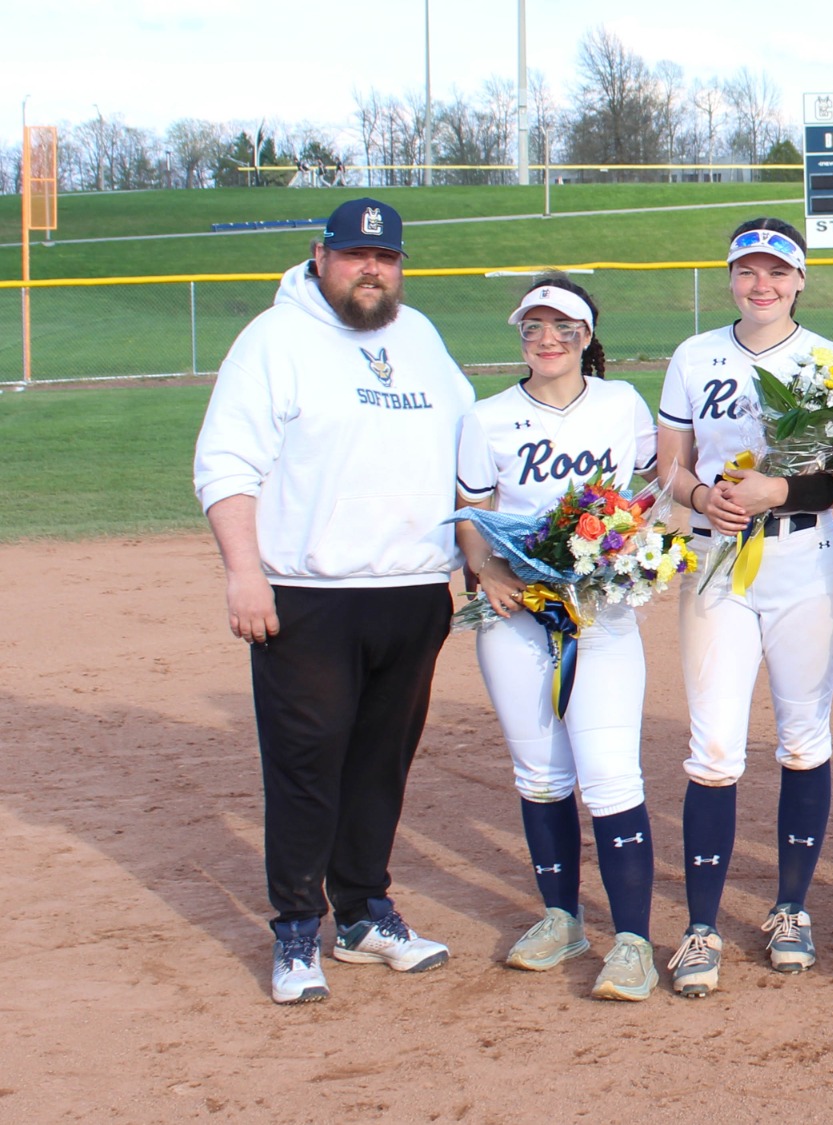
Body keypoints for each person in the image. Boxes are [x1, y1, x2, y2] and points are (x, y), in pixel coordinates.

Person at [192, 197, 474, 1005]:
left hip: (413, 591)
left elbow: (469, 445)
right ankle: (293, 928)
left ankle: (361, 913)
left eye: (385, 258)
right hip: (308, 596)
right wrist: (244, 573)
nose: (371, 270)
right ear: (320, 256)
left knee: (381, 762)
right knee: (307, 766)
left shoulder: (418, 337)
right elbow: (226, 464)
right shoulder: (273, 341)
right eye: (355, 256)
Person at [655, 219, 833, 998]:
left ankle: (790, 909)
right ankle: (701, 925)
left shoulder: (828, 360)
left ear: (799, 279)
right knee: (714, 748)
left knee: (804, 738)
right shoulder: (693, 355)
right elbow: (668, 465)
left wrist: (779, 490)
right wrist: (702, 494)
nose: (761, 283)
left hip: (803, 558)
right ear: (732, 276)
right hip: (716, 560)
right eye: (747, 270)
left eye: (777, 270)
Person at [455, 276, 662, 1000]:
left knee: (611, 775)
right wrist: (486, 576)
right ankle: (562, 917)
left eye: (562, 327)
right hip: (517, 617)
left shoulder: (620, 404)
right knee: (540, 775)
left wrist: (633, 551)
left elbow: (652, 490)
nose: (546, 339)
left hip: (599, 616)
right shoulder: (485, 417)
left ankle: (632, 939)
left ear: (586, 336)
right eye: (533, 327)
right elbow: (471, 515)